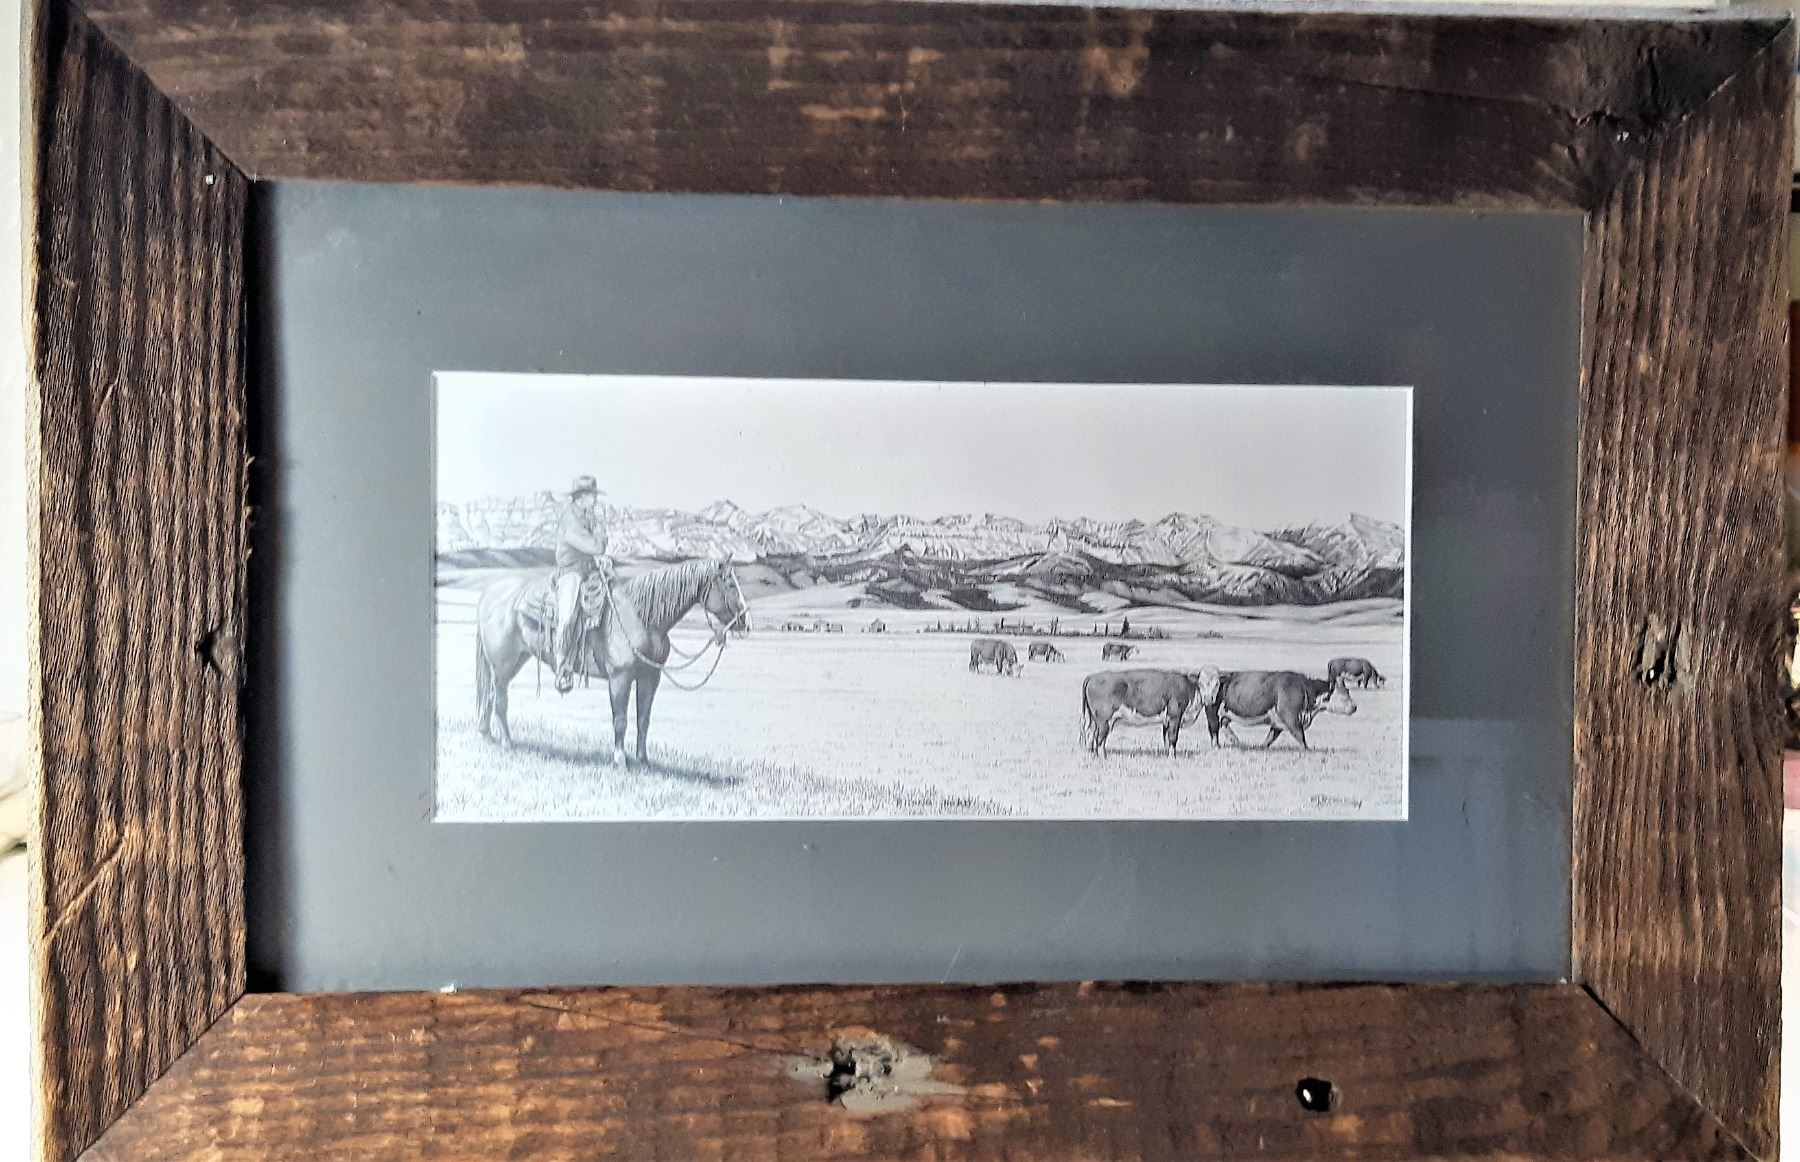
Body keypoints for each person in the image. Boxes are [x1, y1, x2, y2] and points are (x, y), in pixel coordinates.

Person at [552, 475, 611, 693]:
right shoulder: (570, 521)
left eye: (594, 496)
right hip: (571, 572)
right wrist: (601, 532)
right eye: (591, 496)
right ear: (581, 497)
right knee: (567, 615)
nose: (594, 500)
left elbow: (594, 551)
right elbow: (596, 546)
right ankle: (562, 665)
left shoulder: (586, 516)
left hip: (589, 570)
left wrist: (600, 560)